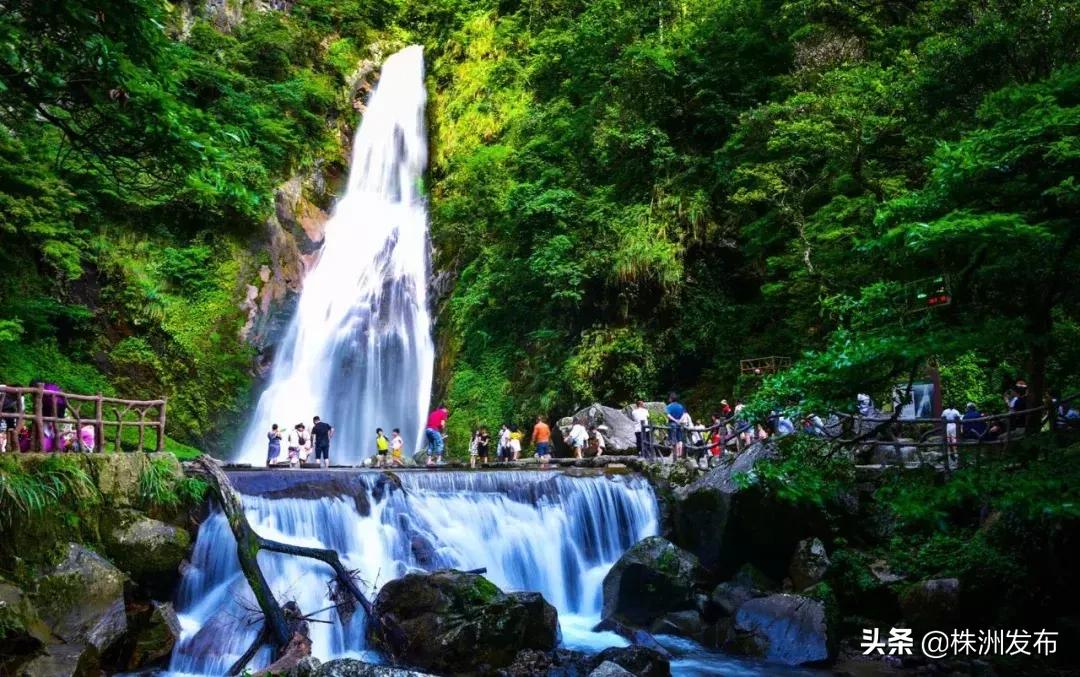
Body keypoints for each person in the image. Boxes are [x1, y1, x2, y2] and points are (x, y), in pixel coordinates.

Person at [666, 392, 686, 459]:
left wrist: (675, 420)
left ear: (671, 399)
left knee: (674, 439)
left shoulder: (669, 406)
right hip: (680, 424)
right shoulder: (681, 406)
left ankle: (675, 454)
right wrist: (679, 420)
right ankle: (680, 453)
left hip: (672, 424)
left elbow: (668, 415)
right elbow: (684, 414)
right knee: (680, 439)